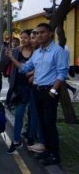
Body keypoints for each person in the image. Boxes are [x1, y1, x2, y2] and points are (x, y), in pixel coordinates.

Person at [9, 23, 69, 166]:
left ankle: (55, 155)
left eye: (42, 32)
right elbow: (25, 68)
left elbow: (62, 72)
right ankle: (47, 150)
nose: (38, 35)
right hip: (36, 90)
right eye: (36, 33)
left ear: (49, 34)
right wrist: (12, 58)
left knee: (49, 123)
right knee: (42, 123)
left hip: (49, 91)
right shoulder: (37, 53)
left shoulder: (57, 51)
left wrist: (54, 90)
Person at [2, 29, 35, 153]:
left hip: (33, 88)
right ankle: (16, 140)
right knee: (19, 114)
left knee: (33, 114)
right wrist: (6, 55)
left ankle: (31, 138)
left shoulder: (36, 52)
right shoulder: (16, 51)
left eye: (26, 37)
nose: (24, 40)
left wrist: (33, 74)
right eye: (22, 37)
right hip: (19, 88)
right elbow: (4, 63)